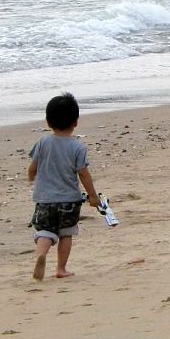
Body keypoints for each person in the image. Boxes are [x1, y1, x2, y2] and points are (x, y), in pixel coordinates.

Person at [28, 93, 101, 280]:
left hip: (44, 199)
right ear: (75, 122)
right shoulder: (78, 147)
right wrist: (93, 196)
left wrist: (31, 177)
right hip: (69, 200)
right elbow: (83, 174)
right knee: (66, 234)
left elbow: (33, 167)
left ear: (48, 122)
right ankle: (61, 269)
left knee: (45, 231)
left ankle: (41, 254)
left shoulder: (43, 143)